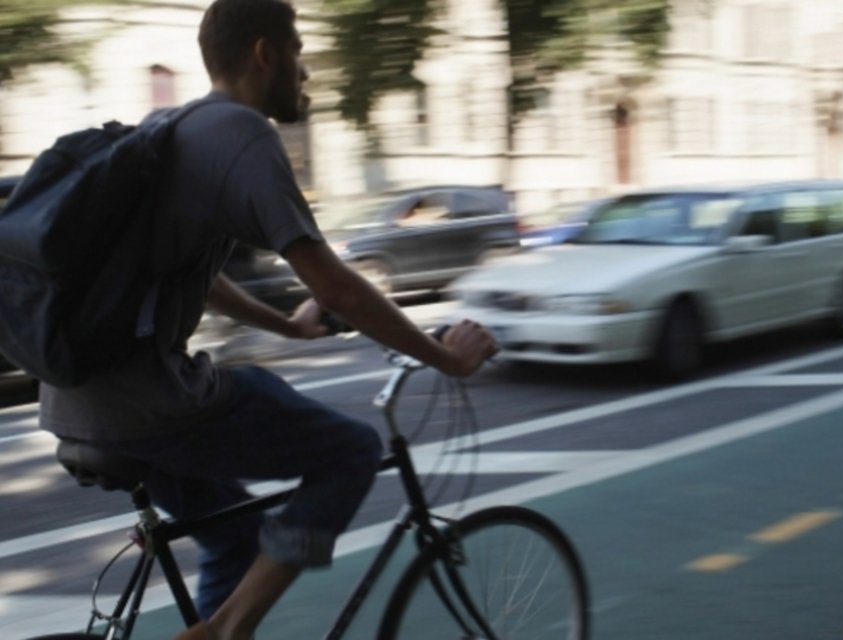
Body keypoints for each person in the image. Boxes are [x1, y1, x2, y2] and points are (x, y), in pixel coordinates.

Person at [36, 1, 498, 639]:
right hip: (149, 403)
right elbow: (339, 287)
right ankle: (230, 629)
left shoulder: (167, 124)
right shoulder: (241, 133)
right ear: (264, 54)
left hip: (73, 399)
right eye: (299, 53)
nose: (305, 72)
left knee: (236, 540)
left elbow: (201, 278)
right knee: (351, 452)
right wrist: (448, 356)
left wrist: (288, 327)